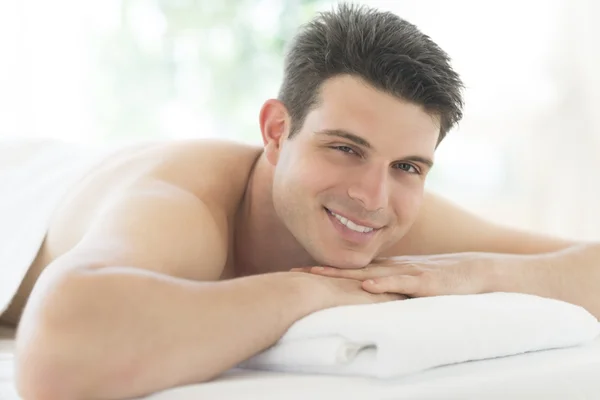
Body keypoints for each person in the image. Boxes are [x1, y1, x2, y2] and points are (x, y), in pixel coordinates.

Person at [4, 3, 599, 400]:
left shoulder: (383, 206)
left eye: (408, 166)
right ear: (276, 132)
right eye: (344, 148)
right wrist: (307, 289)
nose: (371, 196)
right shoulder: (180, 202)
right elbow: (59, 354)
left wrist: (477, 273)